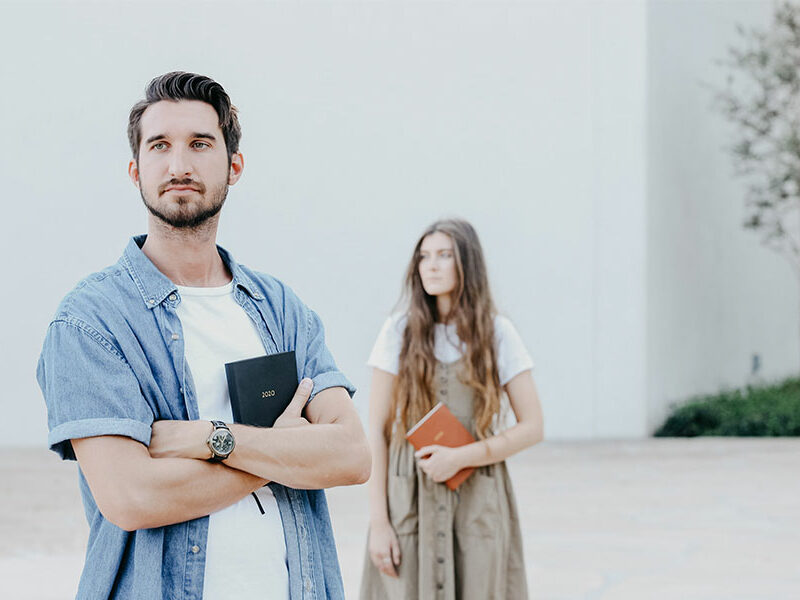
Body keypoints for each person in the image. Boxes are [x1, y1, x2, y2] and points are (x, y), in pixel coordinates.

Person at [36, 71, 370, 600]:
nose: (179, 165)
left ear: (233, 166)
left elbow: (352, 456)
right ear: (135, 169)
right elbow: (130, 497)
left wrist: (212, 437)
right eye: (160, 146)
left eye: (200, 144)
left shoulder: (282, 308)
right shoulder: (90, 321)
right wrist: (284, 454)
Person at [360, 218, 544, 599]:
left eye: (445, 255)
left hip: (477, 494)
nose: (432, 265)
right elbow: (375, 429)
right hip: (406, 494)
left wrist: (461, 456)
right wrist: (379, 522)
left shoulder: (497, 333)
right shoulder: (398, 331)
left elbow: (533, 426)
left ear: (467, 264)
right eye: (424, 256)